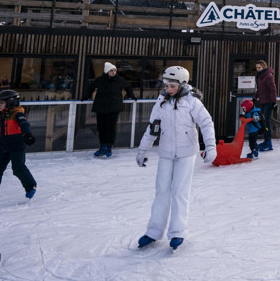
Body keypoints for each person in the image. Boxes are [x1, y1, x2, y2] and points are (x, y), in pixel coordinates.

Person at [136, 66, 216, 251]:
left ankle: (178, 232)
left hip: (186, 153)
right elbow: (152, 128)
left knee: (180, 192)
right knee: (161, 191)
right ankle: (154, 232)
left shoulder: (192, 102)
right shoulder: (161, 101)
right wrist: (142, 150)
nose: (168, 89)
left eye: (172, 86)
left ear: (182, 84)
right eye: (166, 85)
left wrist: (210, 146)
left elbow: (206, 122)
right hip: (165, 152)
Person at [83, 61, 136, 158]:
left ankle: (108, 146)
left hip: (113, 107)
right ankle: (102, 146)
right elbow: (90, 88)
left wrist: (131, 96)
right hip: (101, 107)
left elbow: (128, 87)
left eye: (115, 70)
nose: (113, 72)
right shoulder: (100, 80)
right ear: (106, 71)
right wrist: (85, 96)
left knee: (110, 127)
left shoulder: (119, 80)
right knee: (101, 127)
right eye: (111, 70)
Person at [253, 60, 277, 151]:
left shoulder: (268, 76)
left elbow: (273, 90)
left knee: (266, 122)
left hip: (268, 102)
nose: (258, 69)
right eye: (257, 68)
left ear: (264, 67)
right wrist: (254, 98)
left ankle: (268, 143)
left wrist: (274, 102)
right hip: (262, 102)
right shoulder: (260, 77)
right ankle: (266, 141)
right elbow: (259, 89)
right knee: (263, 122)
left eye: (259, 67)